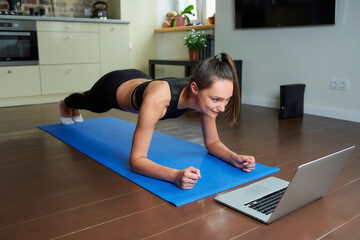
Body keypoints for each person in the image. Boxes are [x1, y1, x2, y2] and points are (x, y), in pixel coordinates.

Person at [59, 52, 256, 189]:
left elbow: (212, 143)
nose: (222, 108)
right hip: (113, 87)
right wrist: (175, 176)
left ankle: (73, 107)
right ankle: (67, 104)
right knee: (90, 102)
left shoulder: (205, 94)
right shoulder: (158, 100)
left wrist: (234, 158)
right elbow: (136, 161)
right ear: (195, 88)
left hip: (141, 79)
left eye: (226, 99)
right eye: (216, 99)